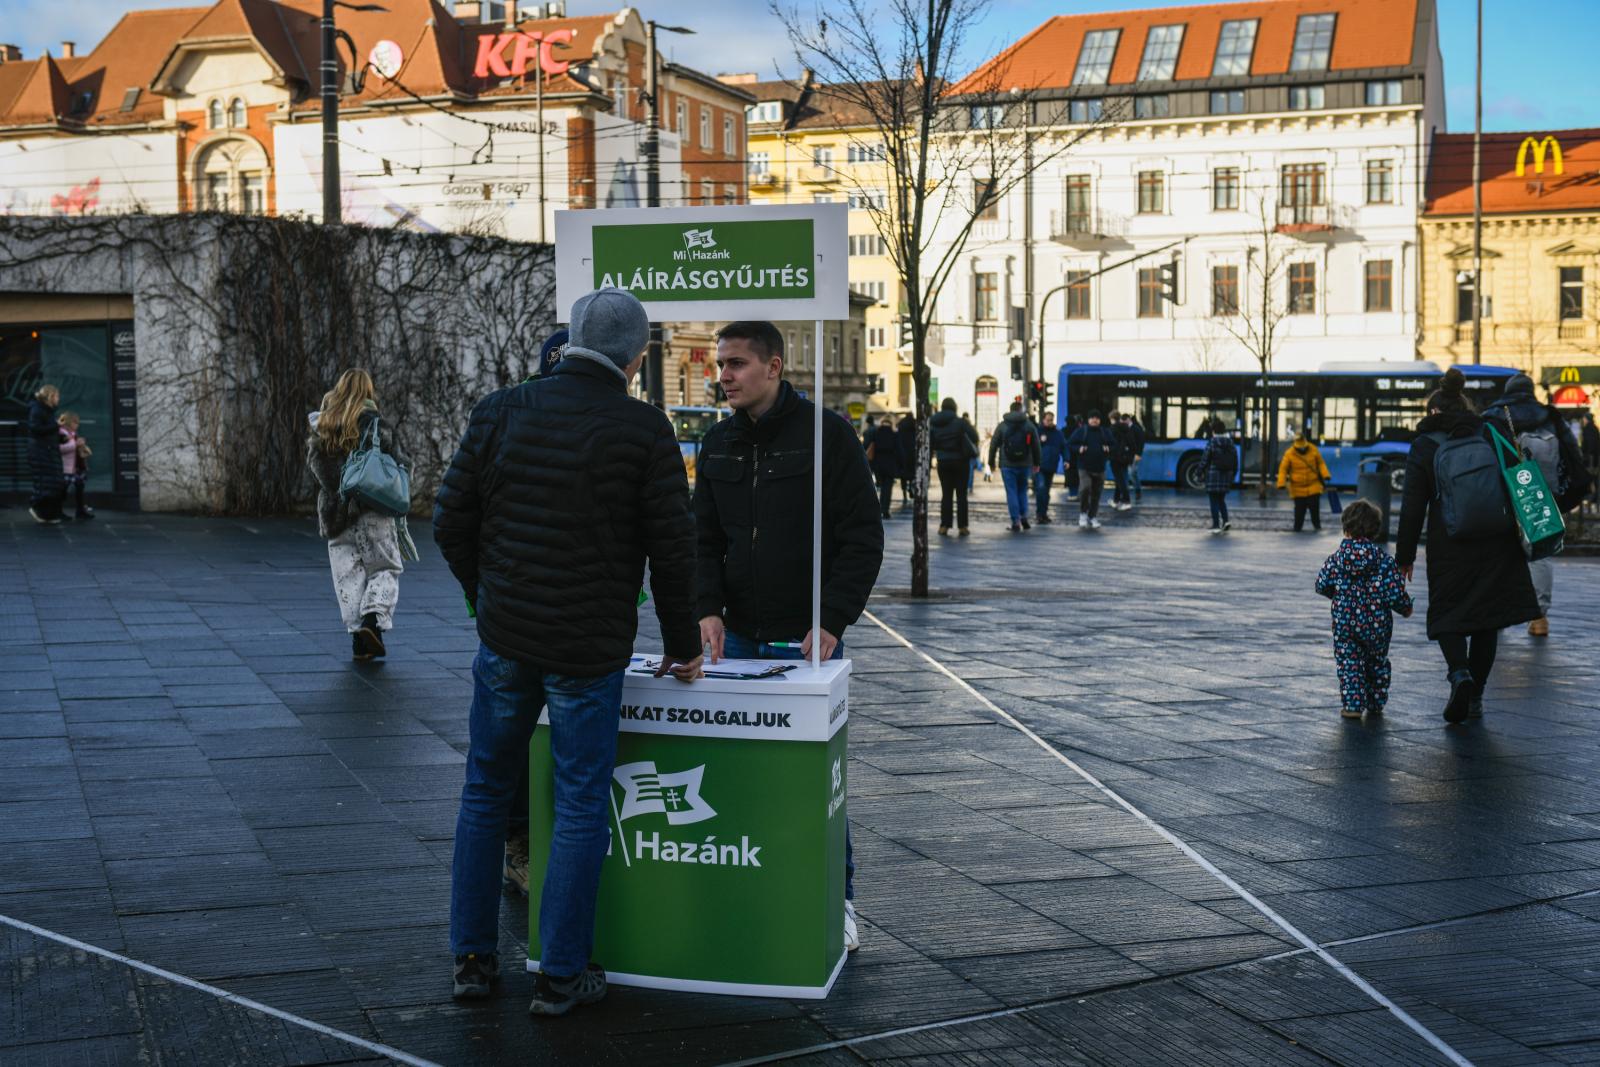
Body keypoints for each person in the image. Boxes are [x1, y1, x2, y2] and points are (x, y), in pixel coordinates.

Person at [434, 287, 703, 1015]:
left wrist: (487, 597)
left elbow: (449, 519)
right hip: (588, 649)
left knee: (485, 791)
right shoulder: (646, 430)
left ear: (570, 339)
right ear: (636, 357)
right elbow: (672, 556)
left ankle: (471, 960)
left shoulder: (500, 410)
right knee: (582, 800)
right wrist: (684, 646)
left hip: (507, 640)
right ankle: (559, 974)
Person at [695, 320, 883, 954]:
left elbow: (863, 537)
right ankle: (759, 890)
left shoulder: (828, 436)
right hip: (737, 637)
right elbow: (703, 540)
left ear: (774, 367)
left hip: (805, 641)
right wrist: (707, 609)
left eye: (737, 364)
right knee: (742, 777)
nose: (724, 375)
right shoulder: (717, 442)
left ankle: (840, 901)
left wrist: (830, 620)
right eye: (721, 364)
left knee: (813, 780)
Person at [1395, 367, 1540, 725]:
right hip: (1497, 539)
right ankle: (1475, 697)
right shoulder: (1490, 431)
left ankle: (1459, 673)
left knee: (1449, 615)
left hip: (1450, 543)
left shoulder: (1424, 445)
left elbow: (1413, 505)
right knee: (1487, 621)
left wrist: (1405, 556)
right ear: (1465, 404)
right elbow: (1515, 476)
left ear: (1433, 411)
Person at [306, 369, 414, 662]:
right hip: (373, 511)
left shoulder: (324, 426)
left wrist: (339, 488)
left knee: (348, 577)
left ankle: (360, 642)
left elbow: (318, 468)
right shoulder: (378, 426)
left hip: (336, 517)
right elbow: (400, 464)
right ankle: (373, 620)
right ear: (368, 391)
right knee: (385, 567)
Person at [1481, 374, 1594, 637]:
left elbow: (1484, 455)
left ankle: (1498, 614)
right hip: (1541, 492)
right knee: (1540, 552)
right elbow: (1571, 453)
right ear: (1531, 391)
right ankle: (1539, 617)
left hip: (1504, 492)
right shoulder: (1550, 416)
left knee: (1499, 553)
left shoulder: (1493, 416)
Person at [1317, 500, 1414, 720]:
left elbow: (1321, 585)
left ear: (1346, 527)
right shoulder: (1383, 561)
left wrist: (1338, 594)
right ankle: (1376, 701)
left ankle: (1352, 706)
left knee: (1349, 664)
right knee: (1377, 662)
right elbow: (1395, 593)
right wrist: (1406, 608)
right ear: (1375, 529)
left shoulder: (1336, 560)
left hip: (1345, 624)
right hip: (1377, 625)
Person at [987, 401, 1041, 533]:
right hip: (1025, 464)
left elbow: (993, 444)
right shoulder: (1029, 425)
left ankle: (1015, 521)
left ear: (1010, 410)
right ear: (1021, 410)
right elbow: (1036, 445)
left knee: (1011, 492)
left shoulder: (1003, 425)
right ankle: (1024, 516)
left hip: (1007, 464)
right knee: (1022, 490)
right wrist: (1037, 463)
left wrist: (991, 463)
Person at [929, 397, 978, 536]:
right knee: (961, 494)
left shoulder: (934, 423)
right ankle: (962, 526)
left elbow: (930, 442)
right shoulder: (960, 422)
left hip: (943, 461)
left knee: (946, 494)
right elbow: (974, 436)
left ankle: (944, 525)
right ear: (954, 408)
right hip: (960, 461)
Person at [1066, 410, 1113, 528]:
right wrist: (1079, 449)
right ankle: (1083, 513)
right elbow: (1070, 444)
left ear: (1100, 420)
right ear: (1088, 420)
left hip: (1100, 467)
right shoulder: (1082, 431)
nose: (1094, 420)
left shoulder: (1104, 432)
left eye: (1097, 418)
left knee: (1096, 494)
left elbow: (1114, 444)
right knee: (1085, 488)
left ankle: (1092, 516)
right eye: (1092, 418)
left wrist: (1109, 448)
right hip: (1084, 467)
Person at [1277, 429, 1331, 532]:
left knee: (1315, 512)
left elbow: (1320, 464)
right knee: (1299, 513)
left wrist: (1326, 475)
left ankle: (1317, 526)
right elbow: (1283, 469)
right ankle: (1298, 528)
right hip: (1298, 489)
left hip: (1313, 487)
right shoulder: (1289, 454)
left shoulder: (1313, 449)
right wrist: (1281, 483)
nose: (1302, 449)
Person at [27, 384, 65, 525]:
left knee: (53, 483)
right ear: (50, 396)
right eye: (57, 396)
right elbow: (35, 429)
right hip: (40, 451)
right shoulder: (37, 409)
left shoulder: (47, 410)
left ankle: (47, 514)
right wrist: (57, 425)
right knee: (46, 482)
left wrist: (61, 438)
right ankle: (38, 510)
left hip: (47, 450)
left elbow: (46, 431)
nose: (58, 399)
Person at [1196, 422, 1237, 534]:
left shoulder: (1212, 442)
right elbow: (1235, 460)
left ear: (1214, 431)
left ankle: (1216, 525)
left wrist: (1199, 472)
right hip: (1226, 476)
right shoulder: (1230, 443)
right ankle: (1226, 521)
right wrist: (1233, 475)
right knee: (1221, 500)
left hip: (1213, 476)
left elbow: (1205, 459)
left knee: (1213, 500)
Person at [56, 411, 94, 521]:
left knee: (80, 488)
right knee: (63, 490)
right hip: (67, 467)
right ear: (69, 422)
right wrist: (75, 444)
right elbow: (60, 449)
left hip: (76, 467)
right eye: (75, 422)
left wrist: (80, 444)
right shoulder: (61, 433)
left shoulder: (72, 433)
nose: (77, 425)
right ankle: (58, 511)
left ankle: (80, 510)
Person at [1034, 411, 1066, 525]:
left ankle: (1043, 514)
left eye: (1051, 420)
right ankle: (1039, 514)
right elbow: (1032, 447)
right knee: (1041, 488)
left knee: (1046, 491)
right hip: (1039, 466)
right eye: (1047, 420)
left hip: (1051, 466)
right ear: (1043, 420)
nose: (1050, 422)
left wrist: (1066, 460)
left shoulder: (1057, 433)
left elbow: (1063, 447)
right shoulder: (1038, 431)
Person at [868, 414, 901, 519]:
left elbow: (870, 448)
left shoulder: (875, 433)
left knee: (881, 487)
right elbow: (899, 451)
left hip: (878, 465)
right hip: (890, 465)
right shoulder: (894, 434)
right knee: (888, 488)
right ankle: (885, 509)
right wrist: (900, 465)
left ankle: (879, 508)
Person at [1108, 410, 1136, 511]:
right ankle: (1116, 501)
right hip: (1125, 458)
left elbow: (1110, 444)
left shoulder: (1112, 429)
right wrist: (1130, 456)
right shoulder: (1127, 428)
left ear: (1112, 419)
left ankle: (1126, 501)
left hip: (1115, 458)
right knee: (1121, 479)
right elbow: (1133, 444)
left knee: (1120, 480)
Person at [896, 413, 920, 509]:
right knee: (912, 473)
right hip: (912, 452)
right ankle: (911, 488)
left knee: (903, 475)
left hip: (902, 453)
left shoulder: (901, 425)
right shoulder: (915, 425)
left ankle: (904, 494)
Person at [1124, 412, 1147, 502]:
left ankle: (1137, 490)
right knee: (1130, 473)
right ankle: (1131, 492)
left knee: (1132, 473)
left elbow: (1141, 442)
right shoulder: (1127, 428)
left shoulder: (1136, 428)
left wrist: (1138, 454)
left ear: (1128, 420)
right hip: (1127, 454)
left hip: (1134, 454)